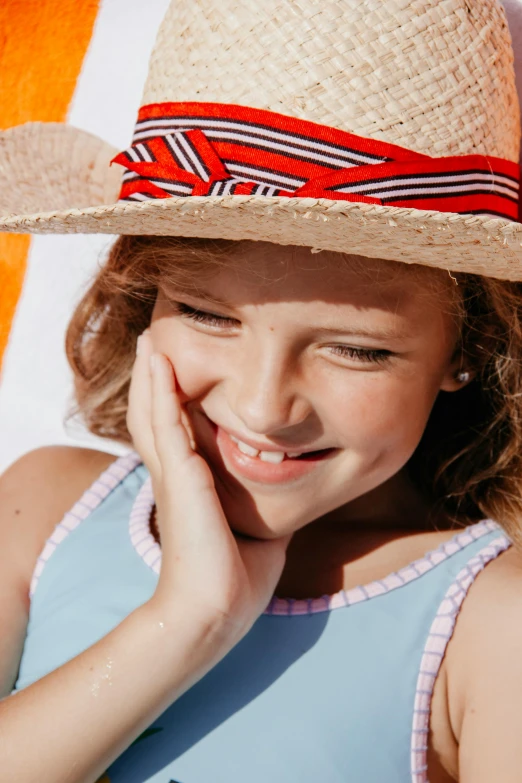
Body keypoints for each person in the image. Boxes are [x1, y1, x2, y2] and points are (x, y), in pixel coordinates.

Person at [2, 0, 522, 781]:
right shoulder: (43, 510)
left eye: (356, 348)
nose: (262, 407)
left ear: (471, 349)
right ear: (147, 297)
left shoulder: (488, 626)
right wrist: (187, 618)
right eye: (209, 315)